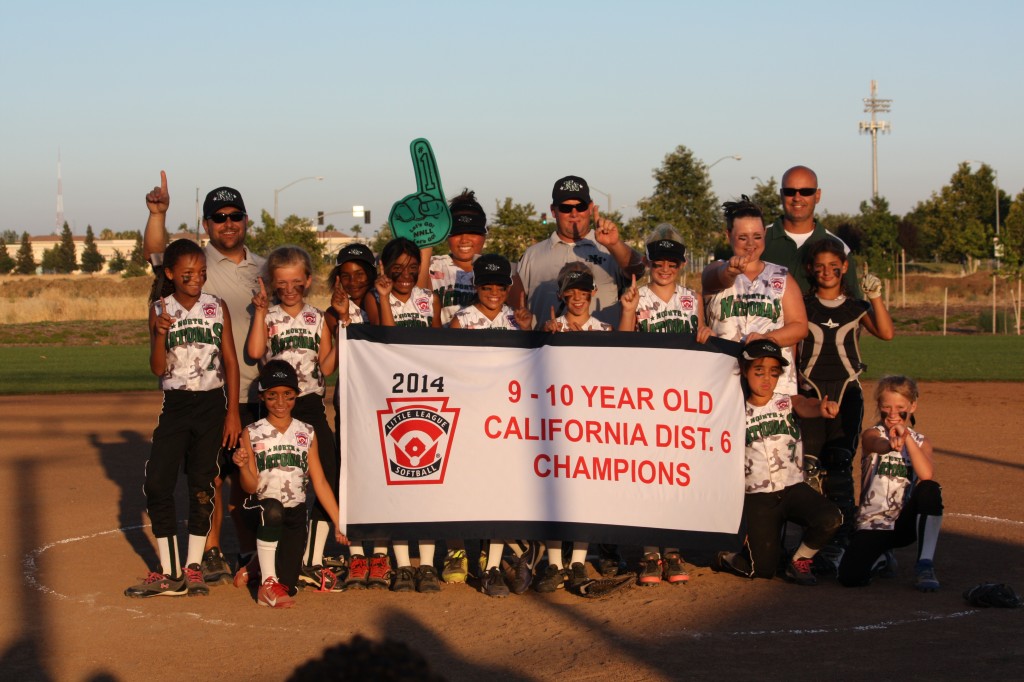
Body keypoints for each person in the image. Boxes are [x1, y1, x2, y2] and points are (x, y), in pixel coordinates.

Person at [143, 173, 264, 584]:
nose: (227, 223)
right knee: (208, 475)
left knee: (244, 477)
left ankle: (245, 549)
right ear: (207, 224)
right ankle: (208, 552)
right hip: (202, 393)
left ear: (246, 220)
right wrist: (158, 214)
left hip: (250, 390)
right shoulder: (197, 259)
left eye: (235, 216)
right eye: (218, 217)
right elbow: (159, 254)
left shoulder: (262, 268)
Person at [124, 238, 241, 597]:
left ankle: (192, 568)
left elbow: (231, 362)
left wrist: (232, 412)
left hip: (211, 405)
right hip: (175, 405)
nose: (196, 278)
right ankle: (169, 570)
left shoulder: (215, 307)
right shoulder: (161, 308)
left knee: (202, 485)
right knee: (158, 482)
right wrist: (159, 334)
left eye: (201, 272)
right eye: (187, 273)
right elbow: (158, 367)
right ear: (171, 274)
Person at [618, 225, 713, 585]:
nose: (665, 267)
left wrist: (706, 336)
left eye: (672, 261)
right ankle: (648, 555)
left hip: (682, 399)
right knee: (647, 474)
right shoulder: (636, 296)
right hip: (645, 399)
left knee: (675, 476)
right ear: (648, 262)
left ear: (682, 263)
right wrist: (627, 311)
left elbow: (703, 341)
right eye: (659, 261)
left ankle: (672, 552)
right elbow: (622, 346)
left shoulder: (693, 298)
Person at [245, 246, 340, 592]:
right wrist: (258, 312)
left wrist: (340, 326)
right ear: (272, 283)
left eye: (296, 283)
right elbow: (255, 353)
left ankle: (309, 558)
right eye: (281, 283)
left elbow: (327, 367)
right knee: (275, 483)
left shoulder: (317, 318)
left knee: (326, 474)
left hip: (310, 405)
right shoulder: (268, 316)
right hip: (276, 409)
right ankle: (265, 558)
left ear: (308, 281)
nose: (289, 289)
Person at [712, 340, 842, 586]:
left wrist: (821, 407)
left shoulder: (785, 402)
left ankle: (800, 560)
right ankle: (727, 557)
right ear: (744, 369)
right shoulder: (733, 408)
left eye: (773, 372)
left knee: (830, 517)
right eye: (758, 371)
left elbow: (805, 404)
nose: (766, 379)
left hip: (792, 487)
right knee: (761, 570)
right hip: (757, 495)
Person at [798, 240, 894, 566]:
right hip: (809, 393)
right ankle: (813, 539)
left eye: (833, 265)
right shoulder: (801, 305)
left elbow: (886, 333)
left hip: (846, 394)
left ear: (844, 268)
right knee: (808, 467)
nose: (827, 271)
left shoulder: (856, 307)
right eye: (819, 266)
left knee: (839, 465)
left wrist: (875, 297)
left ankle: (840, 540)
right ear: (810, 269)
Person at [447, 254, 537, 597]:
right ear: (476, 286)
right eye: (487, 286)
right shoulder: (462, 320)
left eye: (501, 286)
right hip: (474, 416)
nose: (494, 292)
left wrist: (528, 331)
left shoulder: (518, 319)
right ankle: (505, 555)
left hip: (509, 417)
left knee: (504, 491)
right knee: (479, 490)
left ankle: (494, 565)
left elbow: (532, 366)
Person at [232, 360, 349, 608]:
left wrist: (339, 522)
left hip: (295, 512)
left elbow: (319, 481)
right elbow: (250, 487)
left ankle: (256, 565)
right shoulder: (252, 432)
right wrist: (243, 466)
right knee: (272, 509)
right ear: (262, 396)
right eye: (272, 396)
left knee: (290, 588)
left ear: (297, 395)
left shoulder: (306, 431)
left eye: (288, 395)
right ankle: (267, 584)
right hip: (261, 508)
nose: (280, 402)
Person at [364, 237, 443, 593]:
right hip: (392, 397)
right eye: (398, 268)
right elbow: (386, 341)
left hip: (428, 395)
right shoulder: (374, 297)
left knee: (428, 481)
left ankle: (425, 564)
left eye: (413, 268)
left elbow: (443, 349)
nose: (406, 275)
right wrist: (382, 297)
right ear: (385, 268)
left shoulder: (430, 299)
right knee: (397, 478)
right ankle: (401, 565)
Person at [838, 376, 944, 592]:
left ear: (912, 406)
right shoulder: (871, 434)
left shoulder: (922, 442)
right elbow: (875, 444)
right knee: (850, 578)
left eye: (900, 407)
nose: (893, 413)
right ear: (879, 407)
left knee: (930, 489)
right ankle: (881, 558)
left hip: (904, 524)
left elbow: (926, 473)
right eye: (886, 407)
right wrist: (890, 444)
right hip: (873, 523)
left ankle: (925, 565)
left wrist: (907, 439)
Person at [703, 197, 808, 395]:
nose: (751, 243)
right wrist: (731, 270)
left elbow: (800, 326)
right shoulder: (717, 268)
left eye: (757, 236)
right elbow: (717, 279)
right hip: (725, 381)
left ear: (765, 234)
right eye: (743, 237)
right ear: (728, 235)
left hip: (773, 388)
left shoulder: (782, 277)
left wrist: (766, 339)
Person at [509, 175, 644, 329]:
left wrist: (614, 244)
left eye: (580, 206)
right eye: (566, 208)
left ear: (591, 207)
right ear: (553, 211)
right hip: (548, 349)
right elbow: (515, 307)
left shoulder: (610, 249)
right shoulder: (532, 255)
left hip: (604, 348)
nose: (574, 213)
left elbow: (638, 270)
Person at [762, 165, 861, 297]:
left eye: (806, 191)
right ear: (781, 194)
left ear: (817, 195)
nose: (797, 197)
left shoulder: (839, 247)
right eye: (790, 191)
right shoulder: (758, 240)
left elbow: (854, 303)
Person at [417, 189, 488, 326]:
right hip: (441, 344)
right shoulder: (431, 265)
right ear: (446, 235)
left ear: (484, 235)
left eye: (472, 232)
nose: (464, 239)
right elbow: (418, 299)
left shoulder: (500, 269)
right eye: (457, 232)